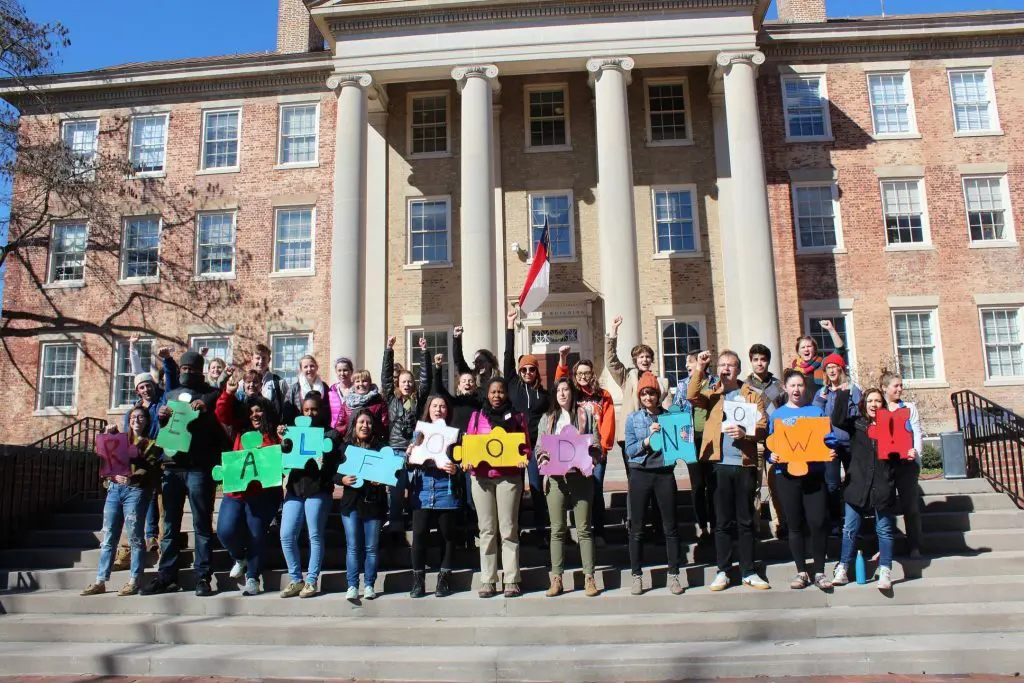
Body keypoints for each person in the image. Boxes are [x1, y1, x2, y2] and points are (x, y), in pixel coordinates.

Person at [142, 350, 224, 597]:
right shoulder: (170, 395)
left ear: (200, 371)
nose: (187, 373)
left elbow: (220, 424)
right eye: (184, 369)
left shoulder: (211, 395)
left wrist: (206, 409)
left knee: (201, 524)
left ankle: (203, 577)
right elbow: (163, 430)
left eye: (192, 369)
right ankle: (166, 576)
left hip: (199, 467)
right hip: (173, 467)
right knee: (169, 526)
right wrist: (161, 418)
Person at [688, 349, 770, 592]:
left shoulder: (752, 395)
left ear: (738, 369)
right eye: (722, 365)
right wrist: (700, 368)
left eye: (730, 365)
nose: (726, 369)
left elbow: (763, 426)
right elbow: (692, 395)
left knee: (745, 520)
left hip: (744, 464)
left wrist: (747, 433)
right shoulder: (713, 394)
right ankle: (722, 570)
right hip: (718, 465)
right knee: (722, 521)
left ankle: (749, 570)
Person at [81, 406, 161, 596]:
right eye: (133, 417)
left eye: (141, 417)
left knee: (135, 536)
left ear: (147, 421)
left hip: (136, 491)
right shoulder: (120, 439)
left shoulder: (152, 443)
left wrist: (133, 478)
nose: (136, 420)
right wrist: (108, 437)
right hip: (114, 490)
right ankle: (100, 580)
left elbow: (149, 466)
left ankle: (134, 580)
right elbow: (104, 455)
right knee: (109, 536)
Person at [769, 370, 836, 591]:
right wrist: (771, 456)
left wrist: (830, 449)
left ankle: (820, 571)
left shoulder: (815, 412)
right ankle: (801, 571)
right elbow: (770, 443)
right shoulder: (778, 416)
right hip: (787, 476)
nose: (796, 389)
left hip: (814, 475)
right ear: (786, 388)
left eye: (800, 385)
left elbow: (829, 439)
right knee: (794, 524)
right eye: (792, 386)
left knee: (817, 522)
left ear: (805, 388)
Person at [213, 385, 283, 597]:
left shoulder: (273, 435)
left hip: (261, 495)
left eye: (259, 411)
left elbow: (280, 461)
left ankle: (253, 577)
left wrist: (281, 441)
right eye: (251, 411)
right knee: (225, 530)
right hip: (236, 493)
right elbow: (221, 413)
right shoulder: (239, 430)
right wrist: (228, 393)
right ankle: (239, 557)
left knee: (256, 535)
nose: (255, 415)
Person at [466, 377, 531, 598]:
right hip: (481, 478)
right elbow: (469, 445)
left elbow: (525, 447)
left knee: (508, 529)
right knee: (486, 530)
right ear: (487, 394)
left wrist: (523, 458)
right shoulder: (477, 417)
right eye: (493, 392)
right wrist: (467, 459)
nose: (496, 396)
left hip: (508, 478)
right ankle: (488, 580)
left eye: (500, 392)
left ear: (506, 394)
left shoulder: (517, 417)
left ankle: (511, 579)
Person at [536, 378, 601, 597]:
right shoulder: (547, 419)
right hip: (556, 479)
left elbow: (596, 444)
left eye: (566, 390)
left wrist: (592, 459)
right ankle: (556, 578)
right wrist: (543, 459)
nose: (562, 394)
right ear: (554, 395)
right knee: (557, 529)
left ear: (572, 392)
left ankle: (589, 577)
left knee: (584, 529)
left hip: (581, 478)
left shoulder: (585, 415)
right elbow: (540, 447)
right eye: (559, 391)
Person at [605, 314, 670, 530]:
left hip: (656, 436)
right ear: (635, 360)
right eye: (641, 357)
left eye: (647, 356)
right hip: (632, 438)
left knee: (658, 479)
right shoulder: (628, 377)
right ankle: (635, 524)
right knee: (635, 481)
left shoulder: (661, 382)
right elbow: (611, 361)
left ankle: (659, 524)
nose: (644, 360)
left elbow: (667, 409)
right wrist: (613, 333)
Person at [831, 387, 899, 591]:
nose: (873, 404)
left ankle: (885, 569)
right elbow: (837, 420)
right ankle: (843, 567)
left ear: (883, 404)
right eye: (870, 401)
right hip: (857, 484)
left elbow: (898, 453)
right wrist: (843, 394)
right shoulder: (857, 425)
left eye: (877, 401)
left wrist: (909, 453)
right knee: (849, 529)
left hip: (882, 484)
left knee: (884, 529)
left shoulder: (891, 425)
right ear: (863, 404)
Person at [624, 374, 685, 596]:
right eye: (643, 393)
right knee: (637, 528)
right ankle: (637, 576)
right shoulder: (633, 419)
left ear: (658, 395)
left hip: (664, 474)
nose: (647, 397)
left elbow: (680, 447)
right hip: (640, 473)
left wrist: (682, 439)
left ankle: (674, 574)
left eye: (651, 393)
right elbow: (630, 450)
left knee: (670, 527)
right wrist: (647, 440)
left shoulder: (669, 417)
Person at [278, 392, 341, 598]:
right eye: (306, 410)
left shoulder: (331, 434)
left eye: (314, 409)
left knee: (314, 534)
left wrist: (325, 456)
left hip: (318, 489)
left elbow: (336, 462)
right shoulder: (294, 432)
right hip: (295, 488)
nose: (310, 413)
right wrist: (283, 439)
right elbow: (284, 454)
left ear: (321, 410)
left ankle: (312, 580)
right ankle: (296, 579)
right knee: (286, 535)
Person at [553, 349, 614, 548]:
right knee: (575, 492)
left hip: (594, 452)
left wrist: (603, 448)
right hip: (574, 451)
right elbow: (559, 382)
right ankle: (580, 531)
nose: (583, 377)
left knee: (596, 490)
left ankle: (599, 532)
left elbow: (608, 422)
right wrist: (562, 359)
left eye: (586, 373)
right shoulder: (573, 394)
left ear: (592, 374)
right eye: (579, 373)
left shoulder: (603, 395)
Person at [406, 392, 462, 598]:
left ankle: (444, 580)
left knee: (447, 535)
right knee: (419, 534)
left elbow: (463, 462)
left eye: (442, 406)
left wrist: (456, 468)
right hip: (423, 489)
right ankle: (418, 581)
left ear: (448, 411)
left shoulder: (455, 435)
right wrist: (409, 456)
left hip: (445, 488)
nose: (438, 410)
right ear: (428, 410)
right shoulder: (419, 433)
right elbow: (408, 464)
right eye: (435, 406)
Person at [504, 307, 551, 546]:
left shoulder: (544, 395)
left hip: (534, 448)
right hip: (515, 447)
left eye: (532, 369)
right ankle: (516, 531)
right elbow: (507, 355)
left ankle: (543, 530)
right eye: (524, 369)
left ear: (536, 371)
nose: (528, 372)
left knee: (536, 488)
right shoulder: (513, 385)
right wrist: (510, 326)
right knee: (514, 491)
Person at [382, 336, 431, 540]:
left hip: (414, 449)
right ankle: (395, 523)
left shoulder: (417, 399)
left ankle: (413, 520)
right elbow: (385, 377)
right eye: (404, 381)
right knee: (395, 489)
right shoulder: (392, 398)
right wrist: (389, 350)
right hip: (395, 449)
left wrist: (424, 352)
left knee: (415, 487)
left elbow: (426, 380)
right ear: (398, 384)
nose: (407, 384)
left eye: (410, 381)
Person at [339, 408, 390, 602]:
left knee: (371, 547)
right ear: (354, 425)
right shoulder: (345, 448)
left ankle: (369, 584)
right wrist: (342, 479)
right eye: (361, 422)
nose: (365, 426)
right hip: (351, 504)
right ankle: (352, 585)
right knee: (353, 546)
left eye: (368, 422)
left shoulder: (381, 448)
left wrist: (382, 479)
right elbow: (333, 472)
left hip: (373, 504)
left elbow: (393, 473)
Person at [813, 353, 861, 536]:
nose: (832, 371)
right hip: (829, 444)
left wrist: (846, 397)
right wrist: (821, 399)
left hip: (850, 442)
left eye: (835, 367)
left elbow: (859, 413)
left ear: (841, 369)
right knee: (831, 484)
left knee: (853, 482)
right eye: (828, 368)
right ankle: (834, 521)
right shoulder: (822, 392)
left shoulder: (852, 389)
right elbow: (815, 416)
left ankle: (854, 521)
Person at [674, 351, 717, 545]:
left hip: (712, 438)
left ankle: (715, 525)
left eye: (689, 362)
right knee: (698, 484)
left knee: (713, 484)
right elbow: (677, 408)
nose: (686, 366)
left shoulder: (715, 382)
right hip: (692, 438)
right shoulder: (683, 384)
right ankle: (702, 526)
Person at [745, 343, 786, 539]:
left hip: (776, 441)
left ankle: (780, 524)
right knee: (753, 486)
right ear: (751, 362)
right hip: (754, 442)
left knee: (776, 486)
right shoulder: (745, 386)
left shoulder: (779, 386)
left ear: (768, 362)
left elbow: (785, 411)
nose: (759, 363)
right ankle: (755, 527)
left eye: (763, 359)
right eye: (756, 360)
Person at [881, 371, 924, 559]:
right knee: (885, 505)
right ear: (885, 388)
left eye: (901, 385)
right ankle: (885, 547)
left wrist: (916, 454)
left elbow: (917, 431)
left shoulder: (909, 407)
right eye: (895, 386)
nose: (899, 389)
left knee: (910, 506)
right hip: (886, 464)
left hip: (907, 463)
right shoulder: (879, 407)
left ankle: (914, 546)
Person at [790, 320, 846, 402]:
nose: (806, 349)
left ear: (815, 349)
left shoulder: (823, 363)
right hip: (801, 407)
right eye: (803, 347)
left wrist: (831, 329)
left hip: (821, 404)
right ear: (798, 352)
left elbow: (840, 350)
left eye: (809, 346)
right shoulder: (794, 370)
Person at [334, 368, 389, 440]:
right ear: (353, 384)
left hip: (372, 442)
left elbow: (385, 425)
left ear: (369, 383)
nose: (361, 384)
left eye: (364, 381)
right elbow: (339, 426)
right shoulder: (347, 403)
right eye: (357, 381)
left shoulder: (379, 401)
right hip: (351, 441)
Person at [453, 325, 501, 390]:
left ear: (490, 362)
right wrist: (457, 338)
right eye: (476, 362)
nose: (478, 365)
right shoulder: (472, 378)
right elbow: (459, 361)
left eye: (481, 361)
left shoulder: (500, 381)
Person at [284, 355, 328, 424]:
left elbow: (328, 409)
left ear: (317, 367)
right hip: (300, 427)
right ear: (301, 369)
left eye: (312, 366)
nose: (309, 369)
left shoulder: (325, 387)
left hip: (320, 427)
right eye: (305, 367)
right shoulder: (294, 389)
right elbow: (287, 412)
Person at [329, 356, 355, 429]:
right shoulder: (331, 391)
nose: (342, 373)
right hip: (335, 429)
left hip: (352, 429)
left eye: (345, 370)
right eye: (339, 370)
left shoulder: (357, 390)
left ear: (351, 371)